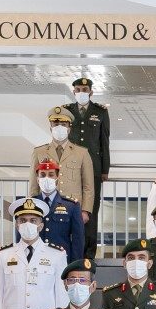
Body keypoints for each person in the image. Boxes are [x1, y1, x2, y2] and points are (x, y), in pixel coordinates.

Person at [31, 107, 95, 240]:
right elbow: (33, 184)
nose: (59, 127)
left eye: (63, 124)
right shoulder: (39, 152)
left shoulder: (82, 153)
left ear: (69, 128)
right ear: (50, 127)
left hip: (73, 209)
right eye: (55, 124)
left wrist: (85, 210)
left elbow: (88, 186)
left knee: (73, 243)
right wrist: (33, 207)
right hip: (46, 206)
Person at [62, 77, 111, 252]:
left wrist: (105, 169)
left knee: (91, 210)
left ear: (91, 91)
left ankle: (88, 252)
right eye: (78, 89)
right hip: (71, 168)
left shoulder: (101, 112)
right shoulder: (66, 111)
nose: (81, 92)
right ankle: (69, 247)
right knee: (69, 206)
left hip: (94, 167)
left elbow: (104, 142)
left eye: (85, 89)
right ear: (73, 91)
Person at [30, 159, 85, 262]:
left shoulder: (71, 206)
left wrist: (74, 266)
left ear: (57, 178)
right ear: (37, 179)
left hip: (61, 261)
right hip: (35, 261)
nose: (46, 178)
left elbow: (78, 239)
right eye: (42, 175)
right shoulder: (30, 204)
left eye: (51, 175)